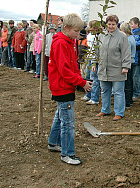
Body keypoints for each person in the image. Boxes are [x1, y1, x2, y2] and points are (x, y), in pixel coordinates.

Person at [47, 13, 92, 165]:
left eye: (79, 31)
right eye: (76, 31)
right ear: (66, 28)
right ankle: (67, 154)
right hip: (62, 87)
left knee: (60, 115)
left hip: (66, 86)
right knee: (68, 122)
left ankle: (53, 142)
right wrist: (81, 82)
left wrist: (81, 80)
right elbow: (64, 70)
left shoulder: (71, 42)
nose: (78, 34)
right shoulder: (61, 43)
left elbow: (73, 65)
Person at [94, 15, 131, 120]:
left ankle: (119, 112)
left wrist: (125, 66)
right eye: (109, 24)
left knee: (118, 92)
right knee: (105, 91)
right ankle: (105, 110)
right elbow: (96, 50)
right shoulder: (101, 36)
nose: (111, 26)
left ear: (117, 25)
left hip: (117, 69)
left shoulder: (122, 36)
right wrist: (93, 63)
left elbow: (126, 52)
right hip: (103, 68)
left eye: (113, 24)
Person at [81, 20, 101, 105]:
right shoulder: (89, 36)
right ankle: (88, 94)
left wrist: (94, 61)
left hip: (95, 59)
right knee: (88, 77)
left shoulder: (99, 37)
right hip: (89, 58)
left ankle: (94, 98)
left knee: (94, 79)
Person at [129, 17, 140, 101]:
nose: (131, 26)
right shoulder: (130, 33)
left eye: (132, 24)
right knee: (129, 77)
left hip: (138, 59)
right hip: (129, 59)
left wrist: (131, 43)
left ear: (136, 24)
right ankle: (130, 92)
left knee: (136, 77)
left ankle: (136, 94)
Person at [120, 22, 136, 108]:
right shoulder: (131, 38)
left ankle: (127, 102)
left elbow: (126, 53)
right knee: (130, 81)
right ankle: (129, 100)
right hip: (132, 62)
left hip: (128, 63)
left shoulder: (127, 39)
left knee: (127, 83)